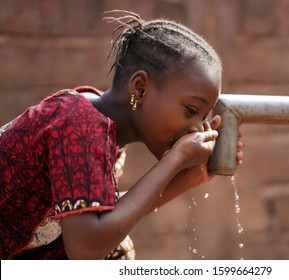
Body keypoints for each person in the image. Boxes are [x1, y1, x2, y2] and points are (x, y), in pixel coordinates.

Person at [0, 11, 244, 260]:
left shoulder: (103, 128)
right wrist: (174, 160)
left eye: (203, 116)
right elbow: (87, 250)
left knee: (117, 245)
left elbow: (104, 214)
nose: (196, 128)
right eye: (191, 110)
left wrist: (195, 175)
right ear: (140, 88)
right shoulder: (78, 123)